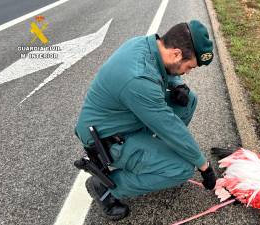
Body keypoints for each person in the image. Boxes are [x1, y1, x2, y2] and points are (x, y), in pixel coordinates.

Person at [74, 20, 217, 221]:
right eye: (189, 66)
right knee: (183, 168)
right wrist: (204, 166)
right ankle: (106, 189)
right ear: (176, 54)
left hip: (124, 117)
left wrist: (177, 84)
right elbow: (170, 127)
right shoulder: (139, 79)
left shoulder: (146, 45)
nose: (188, 72)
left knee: (188, 100)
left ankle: (156, 158)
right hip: (107, 139)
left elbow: (161, 69)